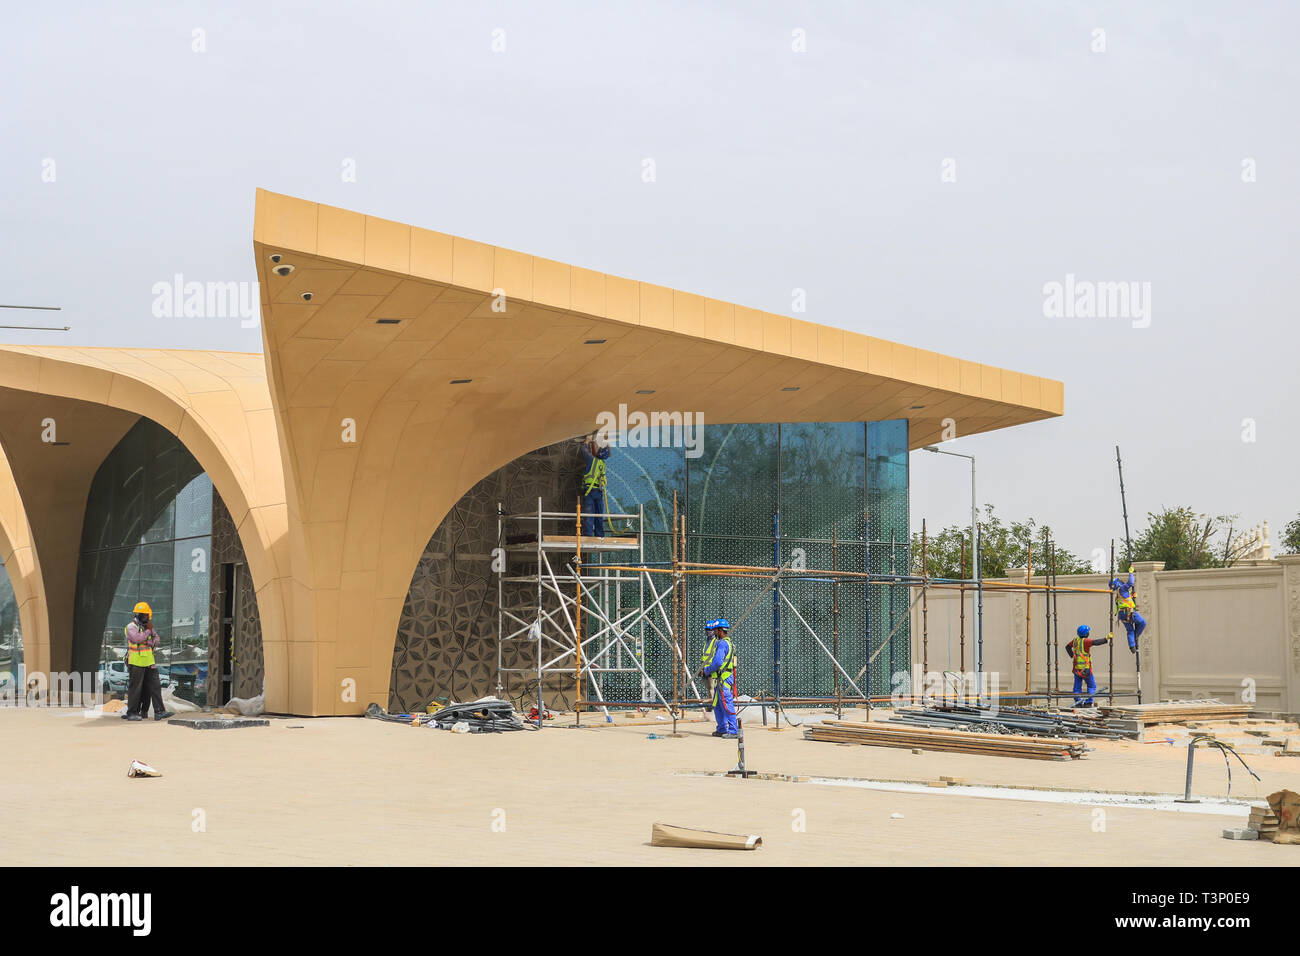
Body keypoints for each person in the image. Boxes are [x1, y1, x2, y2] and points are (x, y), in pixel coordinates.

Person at [123, 602, 173, 722]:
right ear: (138, 614)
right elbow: (137, 639)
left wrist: (149, 640)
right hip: (136, 662)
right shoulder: (131, 627)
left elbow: (157, 639)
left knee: (155, 686)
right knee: (136, 688)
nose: (147, 618)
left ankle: (159, 711)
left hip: (149, 661)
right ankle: (132, 713)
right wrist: (148, 633)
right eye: (145, 615)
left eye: (148, 615)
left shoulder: (148, 626)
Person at [696, 618, 737, 738]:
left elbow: (718, 662)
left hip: (724, 679)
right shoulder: (728, 643)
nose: (713, 632)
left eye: (715, 630)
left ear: (720, 630)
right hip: (721, 679)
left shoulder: (723, 644)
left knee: (726, 704)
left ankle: (733, 730)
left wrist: (707, 671)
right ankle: (722, 729)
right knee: (718, 705)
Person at [1065, 624, 1110, 708]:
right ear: (1086, 633)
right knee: (1091, 686)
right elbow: (1096, 642)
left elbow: (1067, 647)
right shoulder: (1085, 641)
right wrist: (1106, 638)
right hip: (1085, 669)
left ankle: (1078, 703)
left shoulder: (1075, 640)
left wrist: (1072, 655)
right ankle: (1088, 703)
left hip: (1077, 669)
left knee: (1077, 687)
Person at [579, 431, 612, 537]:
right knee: (599, 515)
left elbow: (583, 449)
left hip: (590, 492)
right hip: (598, 492)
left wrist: (588, 440)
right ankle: (600, 535)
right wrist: (606, 439)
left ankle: (588, 535)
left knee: (589, 515)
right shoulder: (603, 463)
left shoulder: (592, 460)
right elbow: (608, 452)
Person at [1109, 566, 1145, 653]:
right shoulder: (1122, 588)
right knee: (1142, 622)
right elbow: (1131, 582)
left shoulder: (1118, 594)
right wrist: (1131, 572)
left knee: (1130, 630)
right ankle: (1136, 636)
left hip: (1122, 614)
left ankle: (1132, 646)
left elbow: (1125, 599)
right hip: (1129, 612)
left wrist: (1132, 596)